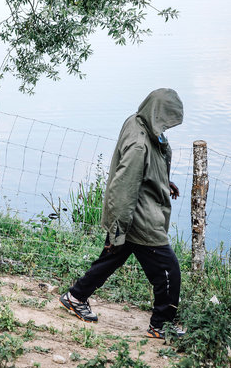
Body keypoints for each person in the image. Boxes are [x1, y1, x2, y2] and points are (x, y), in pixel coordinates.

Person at [59, 88, 185, 340]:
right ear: (156, 115)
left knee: (112, 257)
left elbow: (146, 168)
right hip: (138, 218)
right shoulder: (140, 145)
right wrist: (119, 227)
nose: (166, 128)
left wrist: (163, 181)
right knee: (168, 271)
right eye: (165, 121)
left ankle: (75, 296)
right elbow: (124, 186)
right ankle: (161, 325)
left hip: (132, 214)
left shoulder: (137, 121)